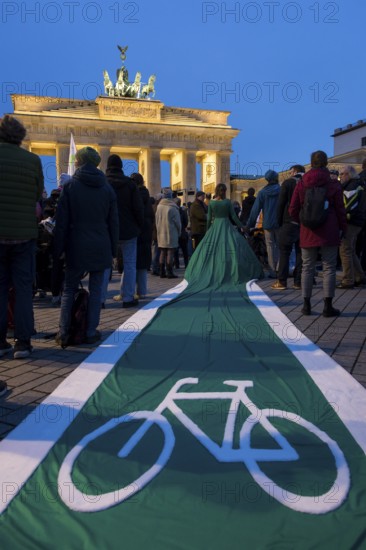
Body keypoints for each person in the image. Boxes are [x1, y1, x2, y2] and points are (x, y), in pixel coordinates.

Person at [53, 147, 119, 347]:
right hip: (101, 245)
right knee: (97, 289)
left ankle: (63, 332)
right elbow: (114, 223)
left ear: (79, 162)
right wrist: (113, 251)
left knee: (69, 288)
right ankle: (90, 332)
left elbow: (62, 223)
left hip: (76, 244)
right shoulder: (107, 188)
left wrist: (58, 250)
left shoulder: (71, 186)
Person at [0, 115, 44, 359]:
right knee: (24, 289)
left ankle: (0, 342)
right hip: (23, 235)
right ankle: (23, 343)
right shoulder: (32, 160)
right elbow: (38, 193)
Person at [289, 150, 347, 317]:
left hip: (308, 230)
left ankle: (306, 306)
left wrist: (302, 221)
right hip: (329, 230)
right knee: (329, 267)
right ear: (326, 163)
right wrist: (342, 227)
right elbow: (340, 209)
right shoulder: (333, 183)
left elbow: (293, 208)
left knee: (307, 267)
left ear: (311, 163)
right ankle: (328, 307)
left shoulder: (301, 183)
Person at [184, 183, 263, 287]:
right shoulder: (227, 202)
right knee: (231, 247)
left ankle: (213, 270)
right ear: (225, 191)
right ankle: (230, 269)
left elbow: (208, 219)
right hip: (226, 226)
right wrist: (242, 227)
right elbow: (234, 217)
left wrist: (208, 231)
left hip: (215, 227)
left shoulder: (212, 203)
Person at [106, 155, 144, 308]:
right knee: (129, 264)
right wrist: (139, 226)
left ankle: (100, 300)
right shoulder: (130, 184)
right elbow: (138, 208)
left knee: (105, 265)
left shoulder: (102, 182)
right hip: (129, 230)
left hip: (108, 230)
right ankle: (128, 298)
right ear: (121, 166)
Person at [271, 165, 305, 290]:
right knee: (300, 253)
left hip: (288, 221)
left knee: (284, 252)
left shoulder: (288, 183)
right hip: (305, 223)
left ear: (295, 171)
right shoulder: (308, 182)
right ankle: (298, 281)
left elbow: (281, 203)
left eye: (290, 172)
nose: (290, 174)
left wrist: (279, 221)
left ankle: (282, 281)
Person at [246, 170, 280, 278]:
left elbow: (255, 210)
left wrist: (249, 224)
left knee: (269, 246)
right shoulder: (281, 190)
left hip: (268, 223)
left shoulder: (262, 192)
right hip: (280, 222)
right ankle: (280, 269)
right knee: (280, 246)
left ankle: (272, 271)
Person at [337, 165, 366, 288]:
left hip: (351, 222)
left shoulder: (351, 187)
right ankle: (360, 276)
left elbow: (348, 207)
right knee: (351, 250)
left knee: (345, 250)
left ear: (348, 174)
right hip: (358, 222)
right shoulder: (358, 184)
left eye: (342, 174)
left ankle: (348, 280)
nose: (340, 177)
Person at [130, 172, 154, 298]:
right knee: (142, 264)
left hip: (136, 231)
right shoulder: (147, 195)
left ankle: (126, 292)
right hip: (146, 232)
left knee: (130, 262)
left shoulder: (135, 195)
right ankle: (142, 292)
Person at [155, 188, 181, 278]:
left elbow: (156, 220)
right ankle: (169, 272)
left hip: (161, 232)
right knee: (170, 252)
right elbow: (177, 222)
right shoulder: (172, 207)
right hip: (171, 232)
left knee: (162, 251)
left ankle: (162, 271)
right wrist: (179, 231)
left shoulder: (159, 206)